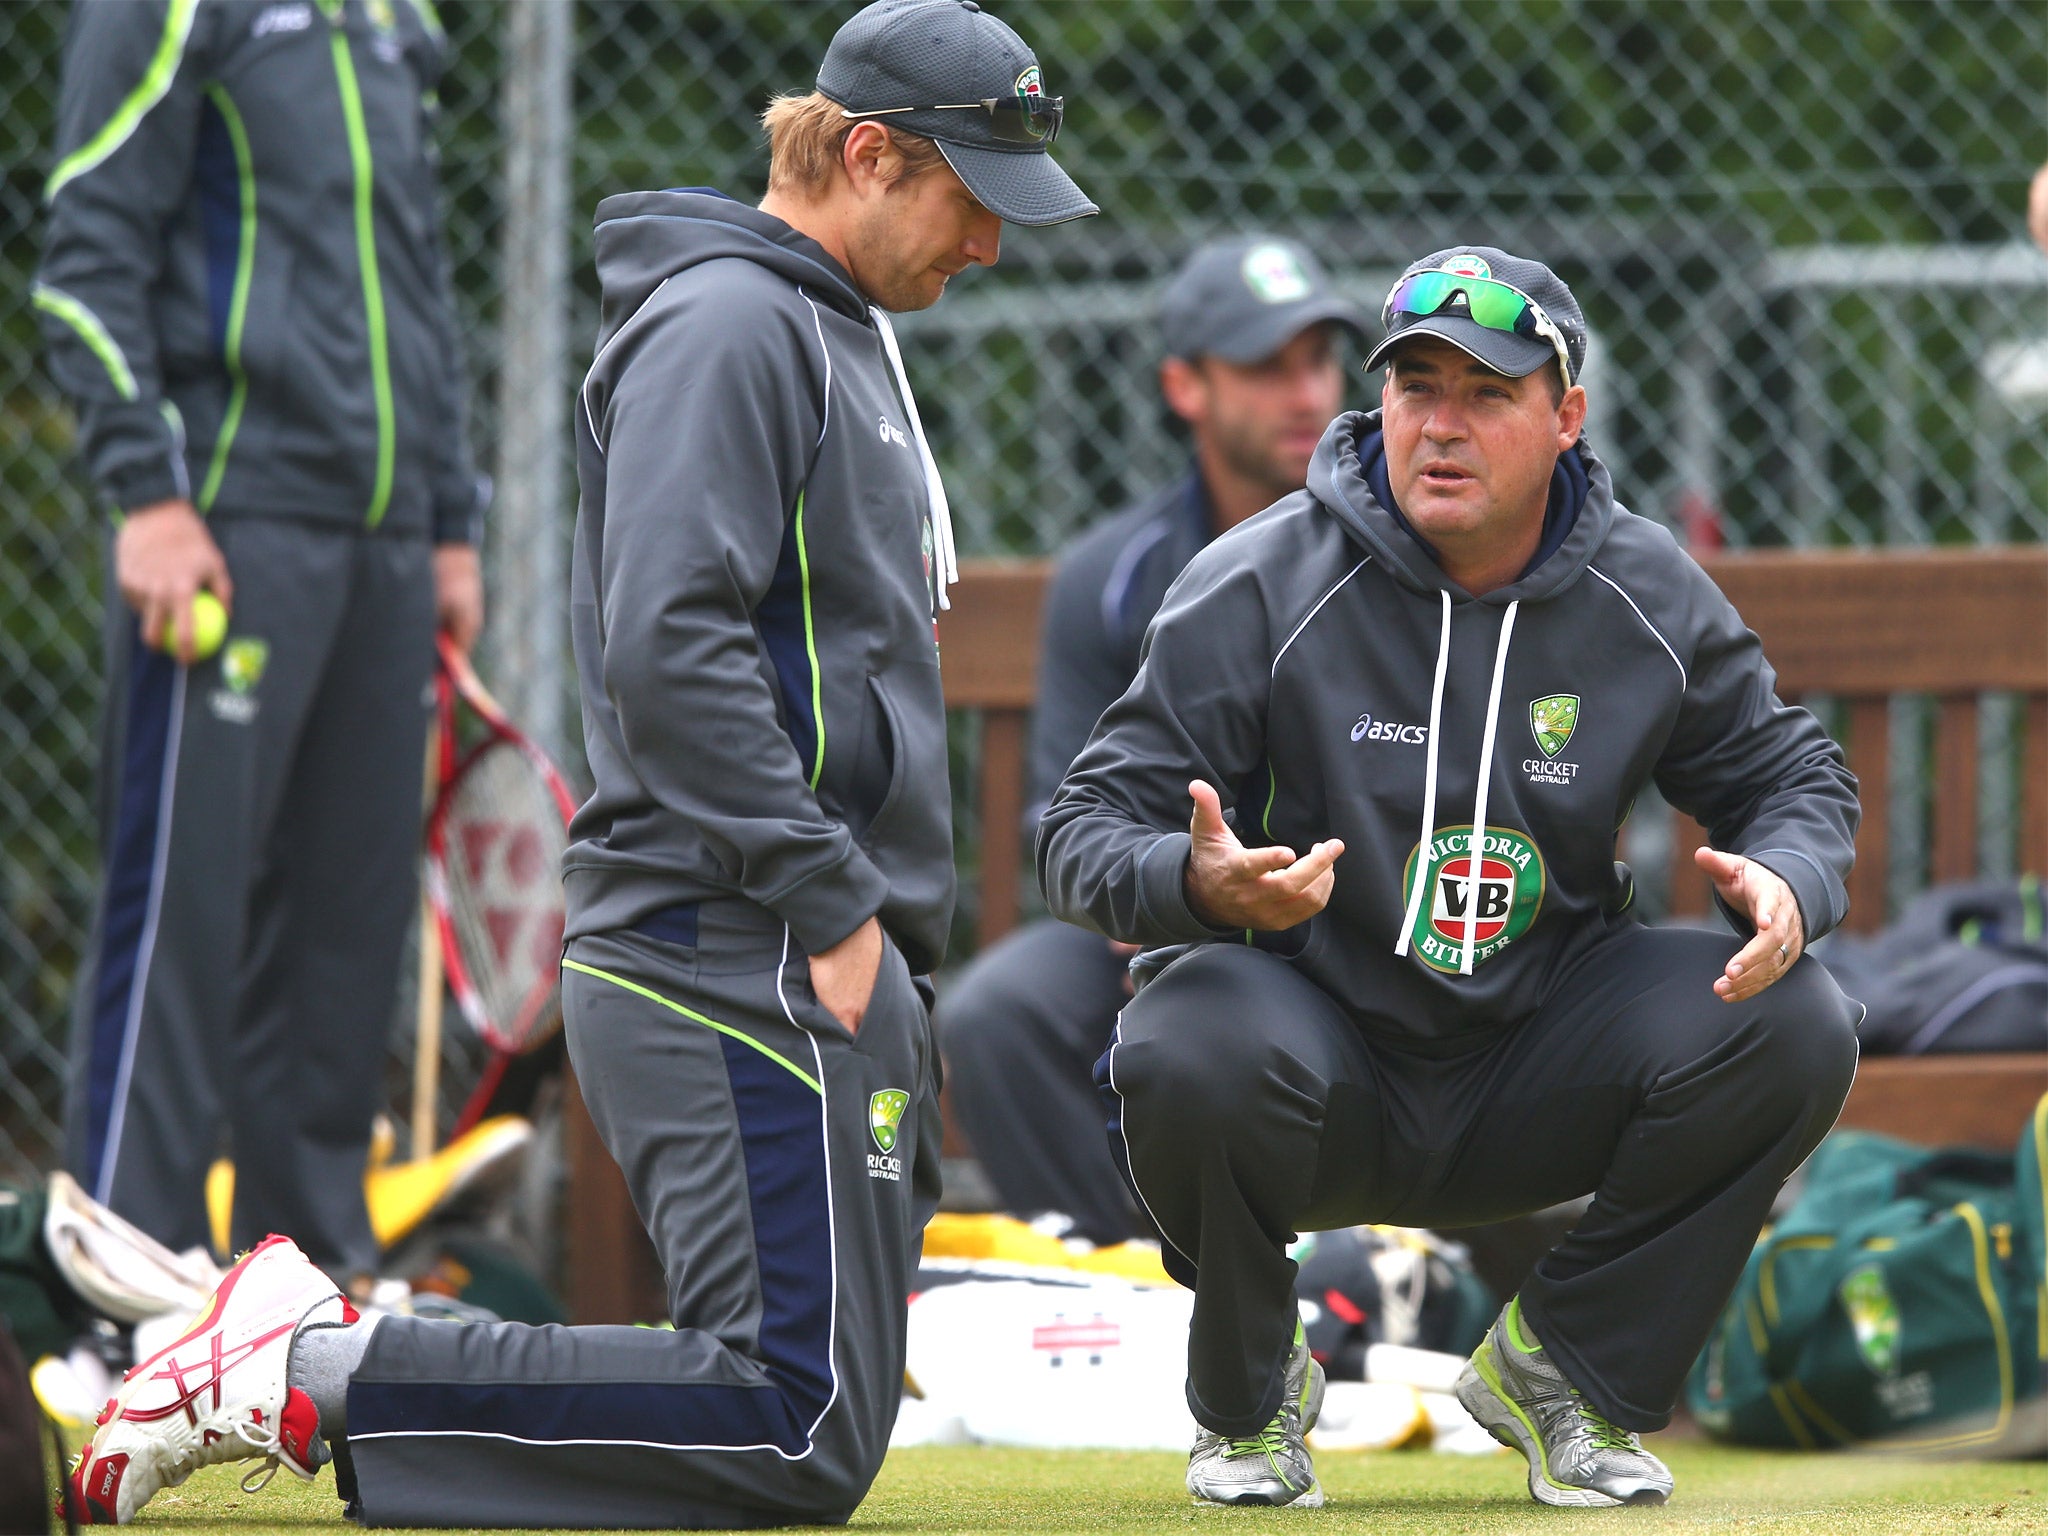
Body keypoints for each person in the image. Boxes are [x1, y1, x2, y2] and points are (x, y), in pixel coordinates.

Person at [66, 0, 1096, 1526]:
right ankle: (315, 1364)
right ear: (869, 154)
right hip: (731, 940)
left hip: (797, 946)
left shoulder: (825, 323)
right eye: (970, 204)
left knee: (814, 1419)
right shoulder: (731, 325)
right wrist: (829, 899)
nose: (990, 249)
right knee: (791, 1414)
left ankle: (322, 1354)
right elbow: (668, 650)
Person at [1039, 246, 1861, 1509]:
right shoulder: (1260, 577)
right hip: (1316, 1058)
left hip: (1536, 1056)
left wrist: (1792, 877)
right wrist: (1197, 886)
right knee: (1181, 1034)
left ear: (1565, 416)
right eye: (1416, 387)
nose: (1442, 424)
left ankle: (1566, 1375)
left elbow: (1788, 774)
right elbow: (1083, 826)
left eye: (1488, 392)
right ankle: (1252, 1399)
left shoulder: (1642, 590)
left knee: (1796, 1020)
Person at [36, 0, 488, 1293]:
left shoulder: (397, 19)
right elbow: (88, 248)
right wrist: (147, 495)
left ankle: (305, 1297)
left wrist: (448, 525)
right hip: (227, 528)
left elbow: (418, 274)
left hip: (388, 547)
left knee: (348, 934)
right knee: (180, 915)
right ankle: (118, 1293)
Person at [938, 235, 1365, 1244]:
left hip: (1363, 921)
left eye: (1318, 359)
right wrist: (1168, 881)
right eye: (1266, 367)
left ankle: (1350, 1285)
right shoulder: (1113, 576)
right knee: (997, 1013)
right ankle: (1148, 1282)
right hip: (1173, 915)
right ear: (1185, 386)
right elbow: (1064, 812)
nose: (1304, 392)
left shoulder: (1404, 547)